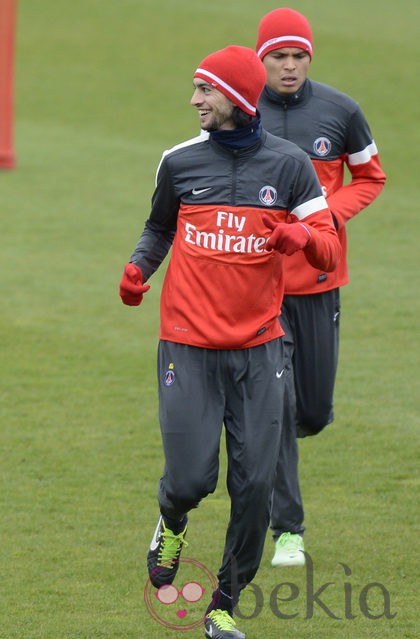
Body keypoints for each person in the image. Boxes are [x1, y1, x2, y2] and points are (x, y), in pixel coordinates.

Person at [118, 45, 341, 639]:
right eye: (195, 89)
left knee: (256, 487)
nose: (194, 100)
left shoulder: (292, 167)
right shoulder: (179, 162)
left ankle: (223, 605)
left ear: (237, 99)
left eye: (205, 90)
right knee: (192, 479)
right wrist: (140, 268)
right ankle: (171, 520)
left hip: (260, 350)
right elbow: (159, 226)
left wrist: (300, 236)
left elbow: (329, 247)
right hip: (187, 346)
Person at [254, 8, 386, 568]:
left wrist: (323, 217)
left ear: (310, 58)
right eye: (278, 57)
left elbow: (371, 177)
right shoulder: (239, 111)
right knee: (278, 407)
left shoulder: (341, 111)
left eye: (297, 56)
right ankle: (289, 531)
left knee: (311, 409)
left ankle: (287, 432)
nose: (288, 66)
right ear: (261, 60)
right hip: (259, 289)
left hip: (321, 282)